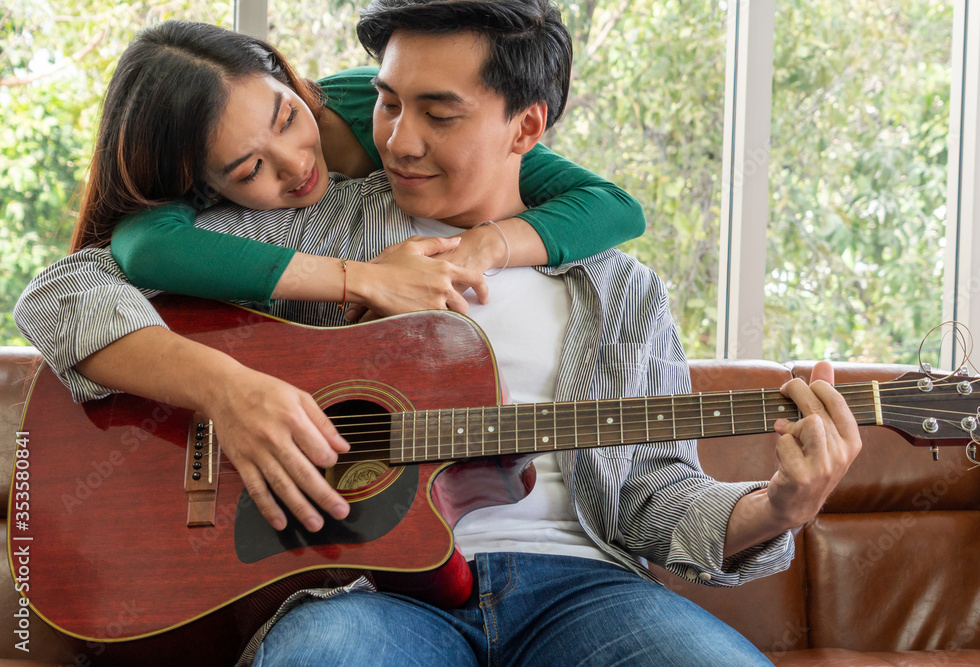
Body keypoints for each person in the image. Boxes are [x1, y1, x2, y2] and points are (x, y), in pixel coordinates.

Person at [14, 1, 862, 664]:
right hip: (366, 594)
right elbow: (62, 292)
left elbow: (654, 500)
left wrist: (778, 505)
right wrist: (233, 391)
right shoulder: (322, 226)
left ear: (526, 127)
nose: (397, 139)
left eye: (439, 114)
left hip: (587, 590)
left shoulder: (621, 289)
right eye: (385, 102)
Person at [13, 17, 644, 534]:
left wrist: (479, 248)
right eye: (246, 168)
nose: (295, 166)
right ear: (198, 190)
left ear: (290, 83)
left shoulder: (380, 103)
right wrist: (234, 384)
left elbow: (617, 206)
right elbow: (83, 280)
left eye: (287, 119)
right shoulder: (291, 224)